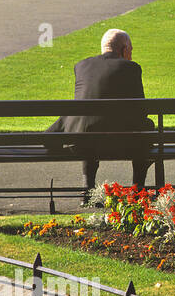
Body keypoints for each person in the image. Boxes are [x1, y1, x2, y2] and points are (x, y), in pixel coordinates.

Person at [48, 28, 154, 197]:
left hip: (82, 143)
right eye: (131, 50)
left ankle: (88, 190)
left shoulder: (82, 66)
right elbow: (141, 110)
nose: (131, 54)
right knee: (146, 127)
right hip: (123, 143)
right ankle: (137, 190)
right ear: (124, 48)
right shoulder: (131, 68)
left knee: (88, 124)